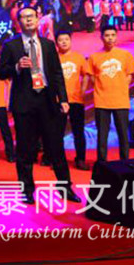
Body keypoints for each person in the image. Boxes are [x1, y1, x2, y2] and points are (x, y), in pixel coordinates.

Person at [0, 6, 80, 205]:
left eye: (31, 16)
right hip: (24, 103)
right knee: (25, 149)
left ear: (38, 19)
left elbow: (57, 73)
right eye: (24, 17)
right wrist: (16, 67)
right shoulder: (11, 45)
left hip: (47, 101)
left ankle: (65, 187)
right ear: (18, 22)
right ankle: (27, 189)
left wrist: (63, 99)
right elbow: (1, 73)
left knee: (56, 146)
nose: (28, 20)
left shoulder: (48, 45)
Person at [83, 25, 134, 163]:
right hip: (102, 101)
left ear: (116, 37)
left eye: (113, 35)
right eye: (107, 35)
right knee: (102, 135)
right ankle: (102, 164)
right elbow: (92, 76)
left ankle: (125, 163)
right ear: (101, 37)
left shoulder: (125, 55)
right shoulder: (94, 57)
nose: (110, 38)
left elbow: (129, 75)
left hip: (121, 101)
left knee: (123, 134)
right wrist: (101, 86)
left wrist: (121, 87)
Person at [55, 31, 90, 171]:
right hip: (58, 101)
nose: (64, 42)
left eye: (66, 39)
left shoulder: (78, 57)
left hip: (76, 100)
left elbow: (86, 75)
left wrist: (82, 91)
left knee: (78, 131)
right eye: (60, 40)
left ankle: (80, 159)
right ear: (56, 43)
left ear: (70, 41)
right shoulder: (53, 59)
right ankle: (58, 160)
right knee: (58, 132)